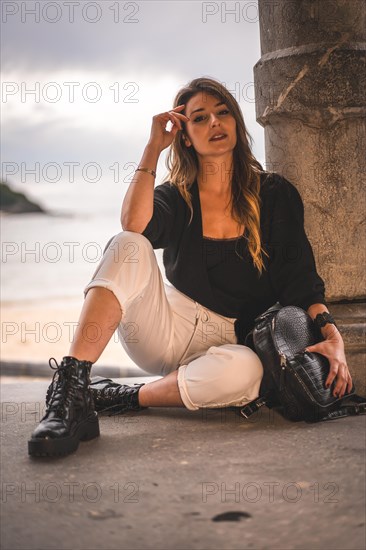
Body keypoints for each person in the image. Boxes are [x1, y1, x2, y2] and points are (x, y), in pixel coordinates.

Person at [28, 77, 353, 457]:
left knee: (247, 376)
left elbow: (302, 283)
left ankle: (124, 397)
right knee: (129, 244)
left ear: (236, 122)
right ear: (185, 137)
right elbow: (133, 224)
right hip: (167, 328)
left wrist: (333, 336)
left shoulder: (275, 194)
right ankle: (71, 386)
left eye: (223, 112)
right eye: (200, 118)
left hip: (235, 341)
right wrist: (152, 147)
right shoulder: (176, 196)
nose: (215, 122)